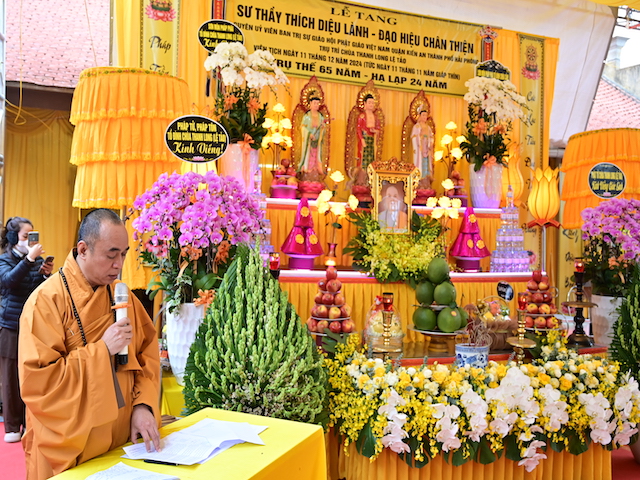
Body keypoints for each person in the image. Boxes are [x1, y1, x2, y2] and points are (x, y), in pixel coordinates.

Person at [18, 209, 161, 480]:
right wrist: (102, 350)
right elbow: (39, 384)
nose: (119, 265)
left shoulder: (123, 297)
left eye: (124, 254)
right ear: (83, 249)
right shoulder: (45, 302)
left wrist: (142, 405)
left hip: (121, 439)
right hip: (68, 446)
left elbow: (147, 357)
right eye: (111, 255)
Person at [0, 217, 52, 443]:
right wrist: (29, 260)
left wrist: (46, 275)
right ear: (14, 238)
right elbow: (8, 281)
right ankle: (12, 426)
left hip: (31, 326)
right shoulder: (4, 260)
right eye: (25, 236)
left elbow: (40, 292)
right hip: (10, 326)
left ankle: (28, 423)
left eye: (32, 235)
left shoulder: (36, 260)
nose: (30, 241)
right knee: (10, 378)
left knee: (30, 376)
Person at [298, 97, 326, 176]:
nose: (316, 105)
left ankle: (315, 170)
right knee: (308, 156)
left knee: (316, 156)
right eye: (314, 103)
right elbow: (302, 127)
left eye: (317, 103)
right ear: (310, 104)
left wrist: (323, 127)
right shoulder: (307, 116)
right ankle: (307, 171)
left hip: (317, 141)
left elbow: (323, 128)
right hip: (309, 141)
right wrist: (309, 134)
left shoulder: (320, 116)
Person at [357, 94, 381, 171]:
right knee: (363, 158)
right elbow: (358, 129)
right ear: (365, 103)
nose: (371, 105)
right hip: (365, 138)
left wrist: (375, 131)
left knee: (372, 158)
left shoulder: (376, 117)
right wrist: (362, 139)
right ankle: (362, 174)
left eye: (372, 103)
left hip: (372, 140)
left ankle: (371, 173)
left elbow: (378, 128)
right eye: (369, 102)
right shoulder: (362, 116)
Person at [411, 110, 434, 177]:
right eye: (423, 115)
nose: (425, 117)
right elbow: (413, 137)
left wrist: (430, 143)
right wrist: (420, 136)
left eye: (426, 115)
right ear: (420, 116)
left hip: (427, 146)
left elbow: (431, 137)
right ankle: (420, 177)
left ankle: (427, 177)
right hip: (420, 148)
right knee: (420, 162)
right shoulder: (416, 127)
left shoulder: (428, 128)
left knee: (427, 162)